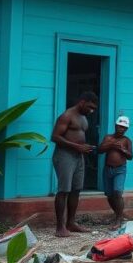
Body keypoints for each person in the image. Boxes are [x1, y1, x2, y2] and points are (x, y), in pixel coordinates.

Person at [50, 92, 99, 238]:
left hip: (79, 157)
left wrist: (85, 147)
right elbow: (55, 137)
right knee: (64, 190)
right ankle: (60, 227)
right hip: (64, 156)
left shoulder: (84, 118)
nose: (92, 111)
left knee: (76, 189)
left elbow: (78, 136)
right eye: (90, 107)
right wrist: (76, 146)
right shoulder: (67, 115)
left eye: (94, 108)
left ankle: (71, 223)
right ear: (82, 102)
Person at [98, 115, 133, 227]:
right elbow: (99, 150)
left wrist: (122, 149)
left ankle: (118, 220)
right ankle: (118, 214)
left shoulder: (127, 141)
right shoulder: (108, 138)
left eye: (124, 128)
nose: (121, 129)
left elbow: (130, 156)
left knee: (117, 192)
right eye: (120, 127)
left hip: (120, 170)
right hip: (108, 169)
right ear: (116, 126)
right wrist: (111, 145)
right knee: (109, 195)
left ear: (126, 129)